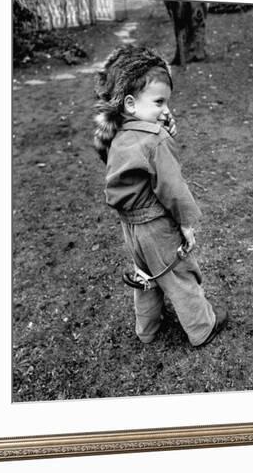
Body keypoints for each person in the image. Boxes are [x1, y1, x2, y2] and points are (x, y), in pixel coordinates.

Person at [93, 44, 228, 347]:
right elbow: (173, 188)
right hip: (156, 229)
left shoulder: (120, 134)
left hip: (131, 229)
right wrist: (187, 225)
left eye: (167, 102)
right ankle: (202, 327)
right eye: (159, 102)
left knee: (145, 278)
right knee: (180, 276)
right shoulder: (155, 140)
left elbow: (134, 164)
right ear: (130, 103)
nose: (166, 109)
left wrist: (158, 123)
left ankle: (148, 330)